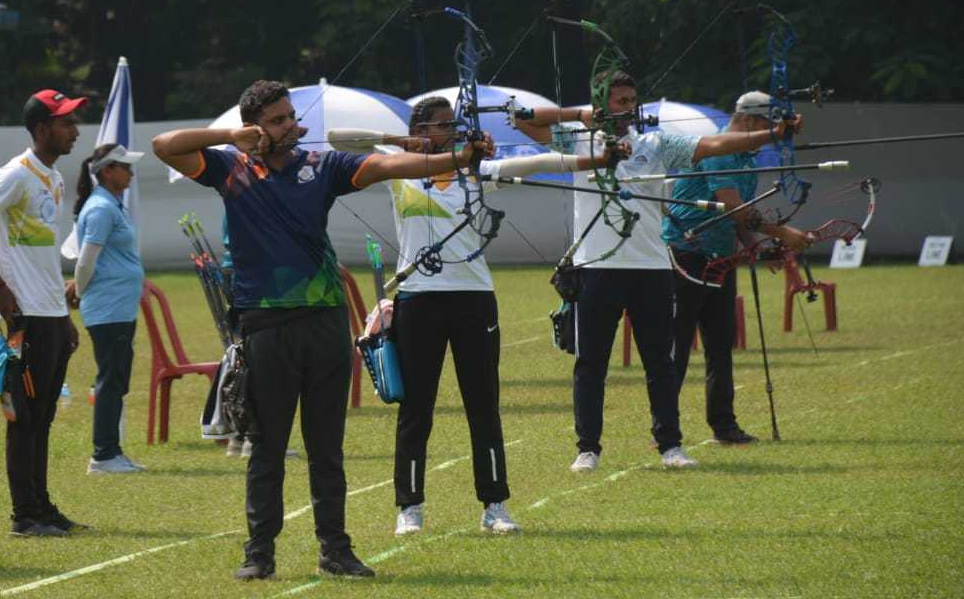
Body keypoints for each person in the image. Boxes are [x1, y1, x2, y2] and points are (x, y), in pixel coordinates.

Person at [152, 79, 494, 581]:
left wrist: (458, 159)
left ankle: (335, 549)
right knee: (268, 448)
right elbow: (165, 147)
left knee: (326, 447)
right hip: (265, 325)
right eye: (278, 121)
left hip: (325, 323)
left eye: (291, 117)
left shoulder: (322, 166)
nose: (291, 126)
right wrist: (232, 136)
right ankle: (259, 553)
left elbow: (386, 166)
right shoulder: (229, 168)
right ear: (254, 128)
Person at [340, 96, 619, 536]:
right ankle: (409, 507)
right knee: (417, 408)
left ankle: (495, 505)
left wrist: (599, 158)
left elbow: (535, 162)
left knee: (483, 406)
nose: (451, 131)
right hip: (418, 299)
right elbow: (346, 142)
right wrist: (406, 141)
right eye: (440, 125)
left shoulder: (475, 170)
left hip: (473, 299)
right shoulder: (397, 168)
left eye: (454, 124)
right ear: (419, 130)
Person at [513, 71, 802, 472]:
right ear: (601, 103)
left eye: (632, 100)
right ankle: (588, 448)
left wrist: (770, 135)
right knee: (591, 361)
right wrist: (581, 113)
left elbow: (715, 143)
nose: (628, 107)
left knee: (660, 362)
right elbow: (522, 119)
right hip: (598, 268)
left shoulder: (656, 143)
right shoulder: (578, 141)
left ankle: (670, 445)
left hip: (651, 267)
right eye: (619, 101)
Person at [0, 89, 85, 537]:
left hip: (49, 314)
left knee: (44, 416)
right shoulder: (16, 173)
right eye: (65, 122)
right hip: (25, 316)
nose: (75, 131)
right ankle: (24, 516)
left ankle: (43, 507)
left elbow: (46, 258)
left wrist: (64, 317)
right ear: (41, 129)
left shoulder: (54, 178)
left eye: (73, 121)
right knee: (24, 417)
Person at [662, 91, 814, 444]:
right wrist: (783, 233)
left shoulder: (748, 157)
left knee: (720, 344)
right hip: (686, 255)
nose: (765, 137)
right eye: (763, 127)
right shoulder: (720, 148)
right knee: (679, 346)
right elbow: (731, 206)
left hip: (721, 257)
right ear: (746, 120)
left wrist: (762, 247)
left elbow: (742, 219)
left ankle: (724, 426)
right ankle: (666, 431)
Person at [67, 143, 147, 474]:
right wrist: (78, 291)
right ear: (108, 171)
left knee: (116, 379)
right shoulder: (101, 208)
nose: (131, 172)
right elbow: (86, 260)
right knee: (111, 380)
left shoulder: (110, 204)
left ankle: (110, 452)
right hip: (108, 308)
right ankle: (103, 455)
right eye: (125, 167)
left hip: (118, 308)